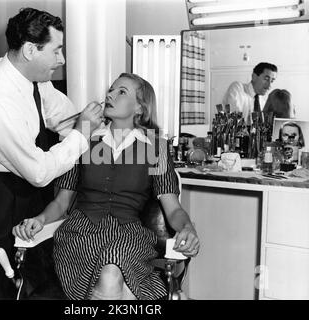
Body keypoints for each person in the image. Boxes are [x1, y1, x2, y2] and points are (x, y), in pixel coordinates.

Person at [0, 8, 104, 299]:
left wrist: (99, 134)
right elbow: (40, 172)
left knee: (29, 285)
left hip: (19, 196)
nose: (62, 60)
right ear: (31, 49)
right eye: (56, 51)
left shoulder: (31, 77)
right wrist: (83, 133)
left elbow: (62, 116)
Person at [13, 73, 200, 300]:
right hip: (80, 236)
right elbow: (61, 202)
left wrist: (188, 228)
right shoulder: (82, 140)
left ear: (140, 108)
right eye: (111, 90)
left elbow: (173, 209)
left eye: (122, 92)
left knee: (114, 265)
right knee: (119, 281)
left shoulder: (155, 148)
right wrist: (40, 220)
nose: (110, 94)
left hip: (128, 236)